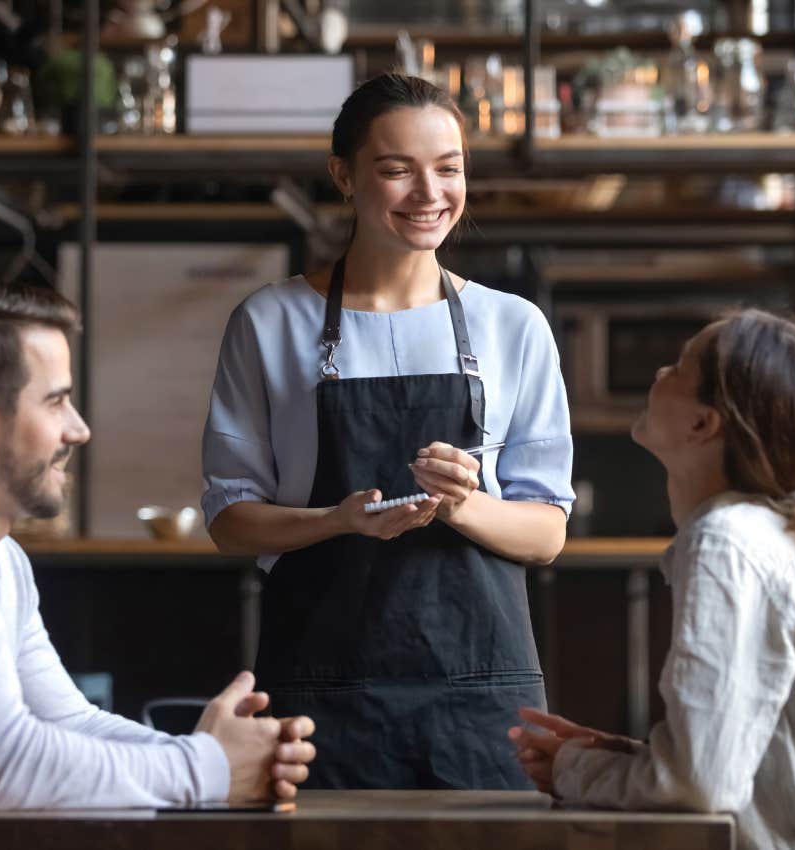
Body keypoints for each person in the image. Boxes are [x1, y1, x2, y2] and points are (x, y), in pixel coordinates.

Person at [202, 73, 575, 790]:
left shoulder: (513, 326)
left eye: (448, 168)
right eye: (397, 170)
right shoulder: (270, 322)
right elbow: (230, 519)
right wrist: (336, 521)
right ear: (343, 175)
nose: (429, 194)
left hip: (481, 695)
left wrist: (466, 505)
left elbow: (547, 531)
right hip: (320, 694)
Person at [0, 279, 315, 811]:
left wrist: (218, 756)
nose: (78, 430)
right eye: (56, 402)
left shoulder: (0, 555)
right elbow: (1, 767)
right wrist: (208, 768)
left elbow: (70, 721)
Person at [509, 309, 795, 850]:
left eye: (678, 367)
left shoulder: (725, 543)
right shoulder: (760, 533)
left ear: (702, 424)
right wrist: (633, 757)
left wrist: (576, 771)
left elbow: (699, 786)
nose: (658, 374)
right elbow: (742, 758)